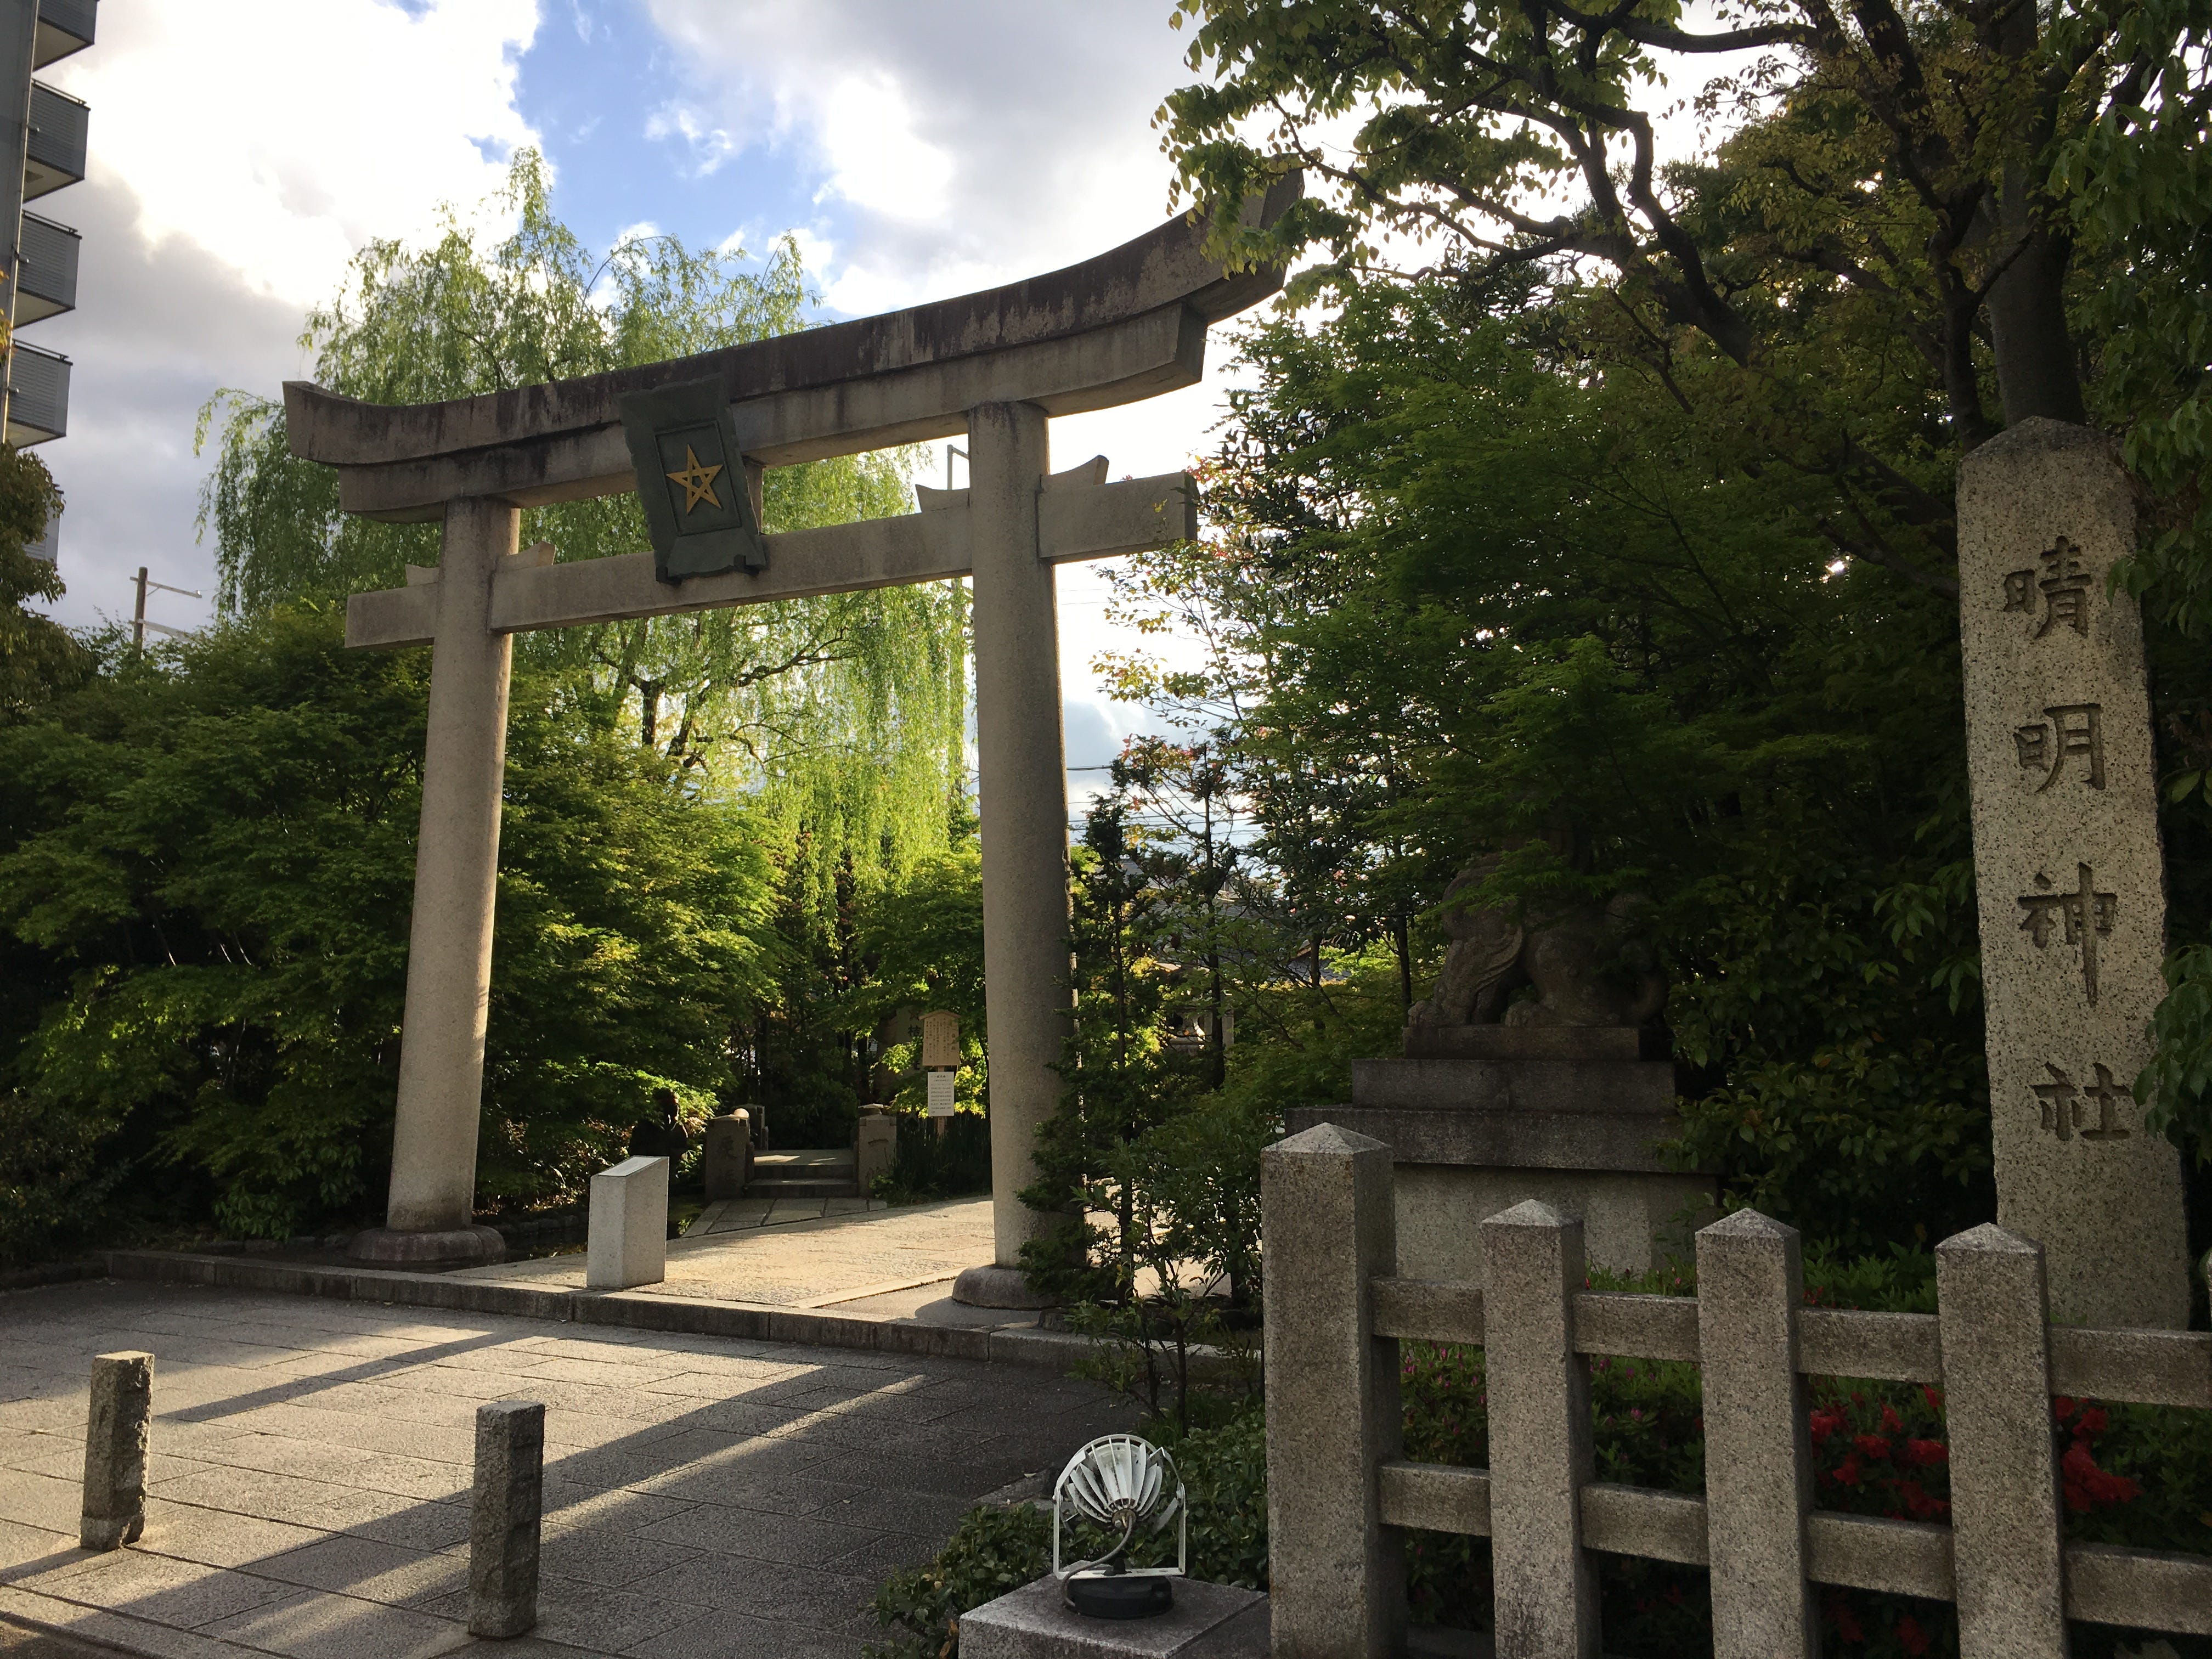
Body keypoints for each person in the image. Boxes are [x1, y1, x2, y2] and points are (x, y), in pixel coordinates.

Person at [627, 1087, 690, 1161]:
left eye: (676, 1105)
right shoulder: (646, 1125)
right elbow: (635, 1151)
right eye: (670, 1105)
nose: (675, 1109)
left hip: (670, 1168)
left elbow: (684, 1149)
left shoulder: (678, 1127)